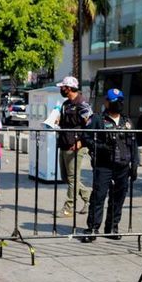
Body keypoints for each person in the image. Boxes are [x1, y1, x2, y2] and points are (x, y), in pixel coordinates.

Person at [81, 88, 139, 242]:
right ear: (107, 102)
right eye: (114, 101)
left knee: (118, 198)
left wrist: (135, 164)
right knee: (98, 196)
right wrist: (100, 147)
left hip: (122, 166)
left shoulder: (127, 122)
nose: (117, 104)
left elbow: (133, 144)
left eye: (120, 101)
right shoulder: (98, 119)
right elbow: (85, 137)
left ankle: (112, 227)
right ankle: (92, 228)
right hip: (103, 165)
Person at [56, 76, 92, 217]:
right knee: (67, 178)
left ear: (69, 88)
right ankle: (88, 197)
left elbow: (90, 125)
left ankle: (69, 207)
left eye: (62, 87)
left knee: (72, 178)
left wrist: (81, 141)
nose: (61, 89)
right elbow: (66, 122)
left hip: (76, 145)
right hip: (65, 143)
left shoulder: (82, 103)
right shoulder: (66, 104)